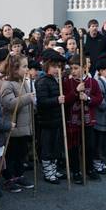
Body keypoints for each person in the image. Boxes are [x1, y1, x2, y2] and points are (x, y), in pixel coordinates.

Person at [64, 54, 103, 181]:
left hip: (88, 120)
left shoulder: (93, 82)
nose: (73, 71)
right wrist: (75, 92)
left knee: (89, 146)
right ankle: (75, 171)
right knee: (73, 146)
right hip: (73, 121)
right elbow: (65, 100)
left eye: (76, 68)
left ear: (85, 67)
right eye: (71, 68)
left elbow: (99, 98)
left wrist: (88, 98)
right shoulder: (67, 82)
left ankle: (89, 168)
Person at [0, 55, 34, 191]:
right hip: (14, 127)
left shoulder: (23, 82)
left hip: (24, 126)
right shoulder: (7, 84)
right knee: (11, 154)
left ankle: (19, 175)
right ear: (14, 69)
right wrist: (27, 98)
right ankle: (9, 178)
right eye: (24, 66)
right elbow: (8, 104)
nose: (27, 69)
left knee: (21, 153)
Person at [36, 49, 67, 183]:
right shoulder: (43, 81)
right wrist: (56, 100)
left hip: (57, 119)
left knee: (56, 147)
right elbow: (41, 102)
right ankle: (48, 172)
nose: (56, 69)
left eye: (58, 67)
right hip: (47, 121)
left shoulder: (56, 80)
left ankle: (54, 170)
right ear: (47, 66)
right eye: (54, 66)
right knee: (47, 147)